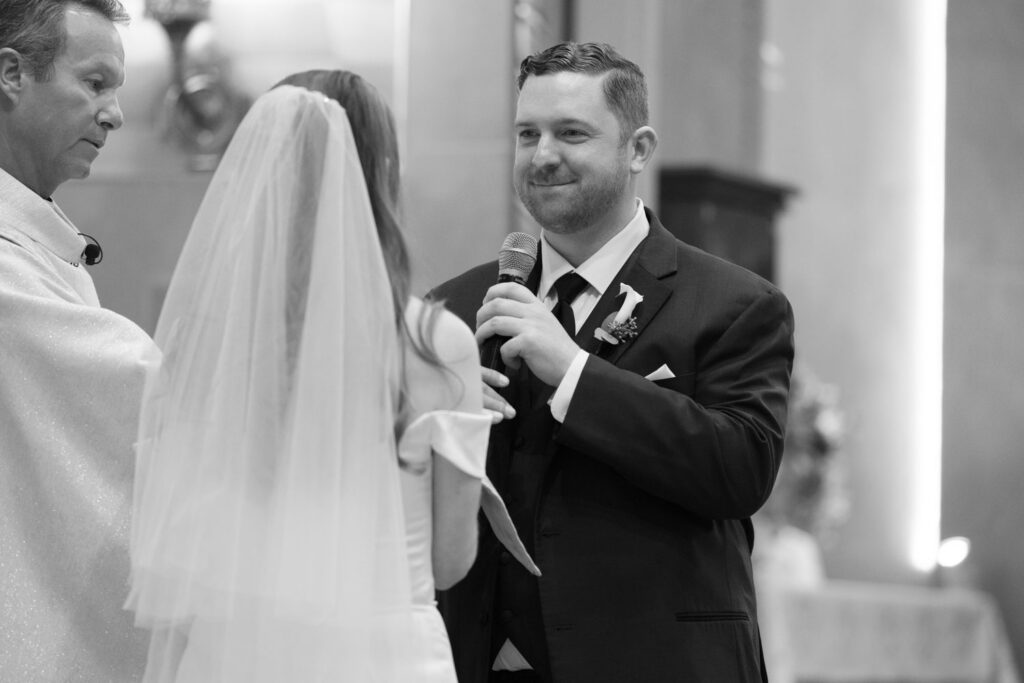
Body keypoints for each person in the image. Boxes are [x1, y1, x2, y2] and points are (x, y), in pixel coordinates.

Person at [126, 71, 535, 682]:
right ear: (380, 171)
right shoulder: (431, 343)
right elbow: (450, 560)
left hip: (228, 652)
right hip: (379, 653)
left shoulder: (198, 341)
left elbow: (174, 539)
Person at [430, 42, 795, 682]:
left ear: (638, 149)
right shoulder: (455, 306)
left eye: (571, 133)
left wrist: (574, 372)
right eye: (527, 134)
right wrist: (437, 428)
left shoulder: (735, 304)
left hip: (653, 661)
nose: (543, 156)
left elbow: (740, 470)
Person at [0, 1, 157, 679]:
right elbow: (148, 394)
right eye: (96, 83)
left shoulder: (37, 242)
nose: (116, 114)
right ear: (11, 74)